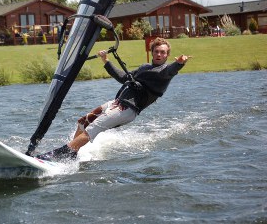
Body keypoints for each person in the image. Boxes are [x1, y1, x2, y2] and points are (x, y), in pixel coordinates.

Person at [36, 37, 192, 161]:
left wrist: (179, 63)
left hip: (127, 110)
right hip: (116, 103)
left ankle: (61, 154)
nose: (159, 55)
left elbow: (172, 70)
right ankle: (72, 154)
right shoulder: (145, 67)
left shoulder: (164, 72)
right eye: (157, 51)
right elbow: (124, 77)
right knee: (82, 122)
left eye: (163, 52)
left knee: (92, 129)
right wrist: (106, 60)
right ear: (152, 52)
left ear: (167, 55)